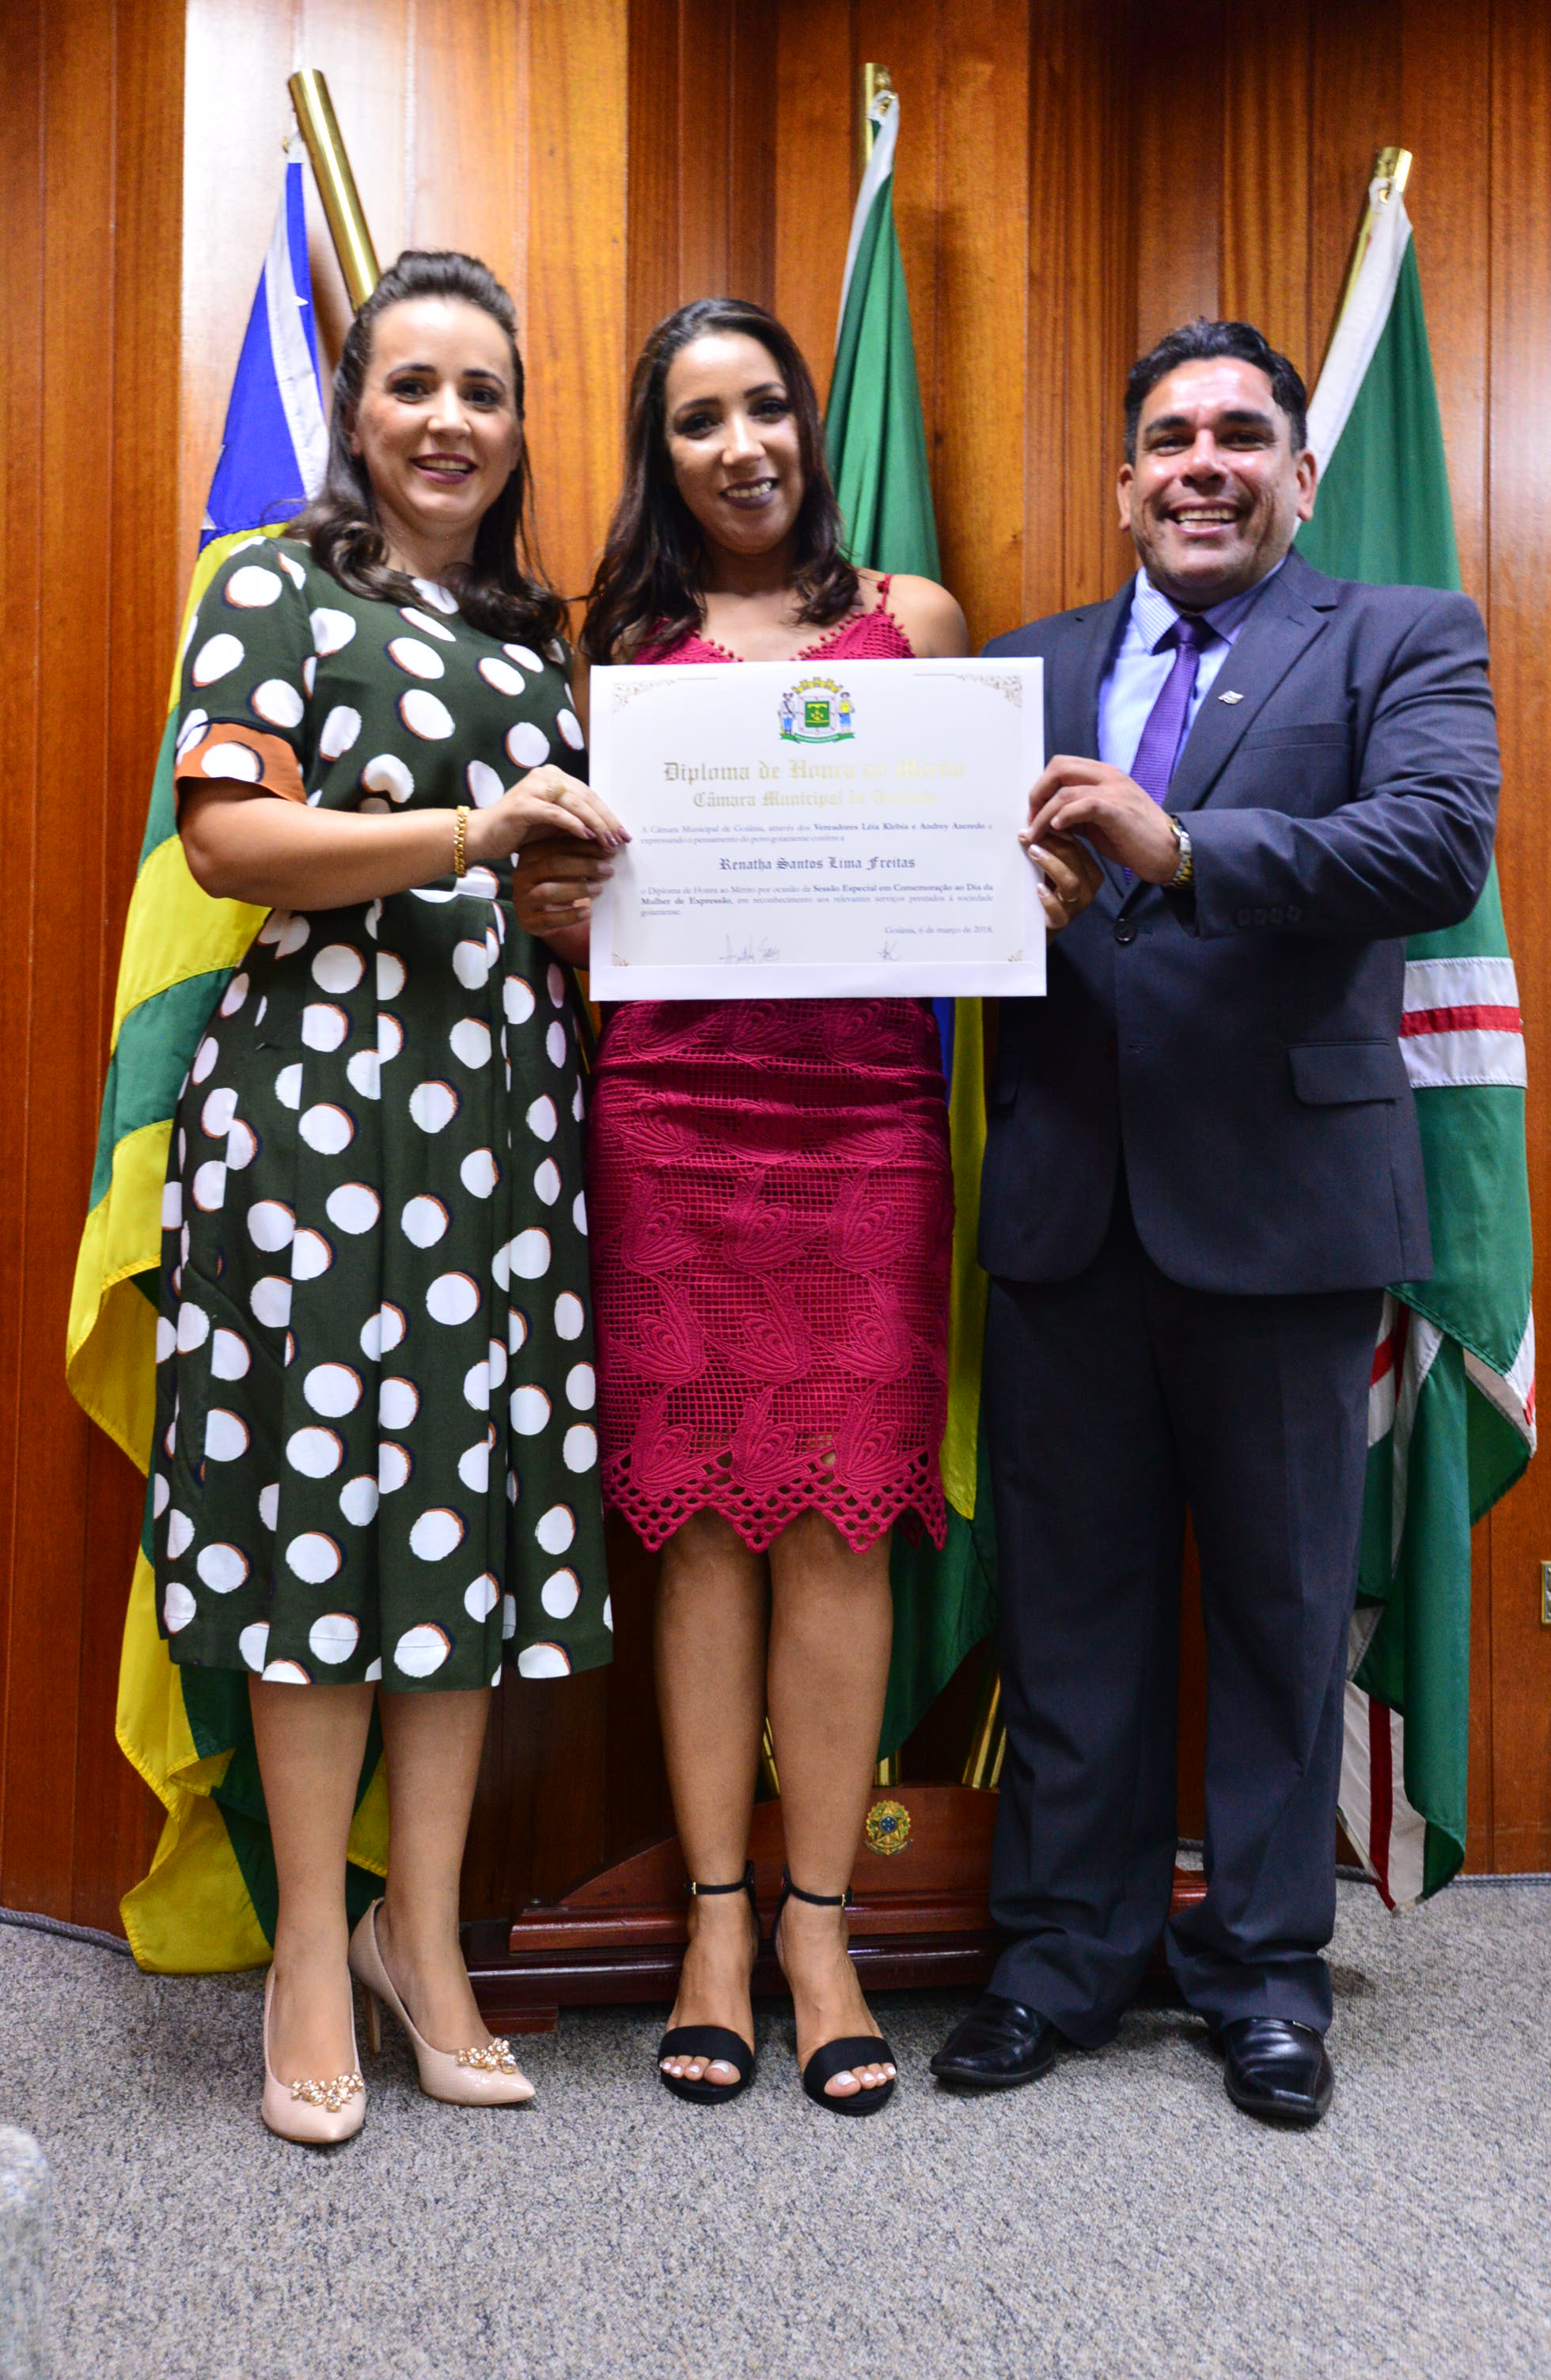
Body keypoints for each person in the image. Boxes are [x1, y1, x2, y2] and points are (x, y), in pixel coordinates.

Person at [516, 296, 1092, 2116]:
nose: (739, 444)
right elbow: (581, 907)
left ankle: (820, 1928)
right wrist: (557, 916)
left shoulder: (913, 623)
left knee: (842, 1525)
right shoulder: (619, 650)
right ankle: (712, 1923)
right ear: (660, 454)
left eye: (763, 406)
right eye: (697, 420)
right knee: (696, 1524)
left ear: (806, 425)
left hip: (862, 1125)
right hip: (672, 1114)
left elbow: (970, 867)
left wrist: (1026, 893)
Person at [930, 318, 1500, 2124]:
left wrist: (1175, 847)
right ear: (1122, 483)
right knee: (1071, 1613)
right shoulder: (1014, 674)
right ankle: (1062, 1957)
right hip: (1065, 1210)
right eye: (1169, 438)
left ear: (1297, 476)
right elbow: (924, 902)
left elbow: (1434, 848)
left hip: (1285, 1210)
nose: (1202, 465)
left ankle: (1261, 1971)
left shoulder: (1400, 637)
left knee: (1276, 1610)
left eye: (1239, 436)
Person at [150, 249, 621, 2143]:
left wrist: (557, 905)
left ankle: (417, 1938)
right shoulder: (274, 583)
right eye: (412, 383)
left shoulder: (532, 642)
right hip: (316, 1128)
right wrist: (468, 836)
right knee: (315, 1532)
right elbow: (227, 837)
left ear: (517, 426)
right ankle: (302, 1947)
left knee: (450, 1531)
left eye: (482, 391)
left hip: (499, 1126)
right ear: (354, 410)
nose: (448, 420)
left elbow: (535, 893)